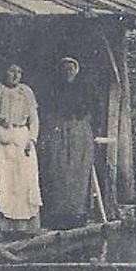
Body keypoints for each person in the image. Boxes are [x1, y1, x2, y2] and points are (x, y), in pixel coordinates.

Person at [39, 56, 101, 231]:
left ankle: (77, 215)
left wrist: (83, 123)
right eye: (64, 69)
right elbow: (47, 110)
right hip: (58, 132)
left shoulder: (86, 88)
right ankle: (57, 216)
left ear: (77, 70)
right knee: (57, 170)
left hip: (79, 133)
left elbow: (94, 109)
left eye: (71, 68)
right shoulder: (53, 89)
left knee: (78, 173)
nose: (68, 72)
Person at [0, 62, 43, 236]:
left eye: (19, 71)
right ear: (3, 72)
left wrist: (32, 138)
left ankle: (27, 226)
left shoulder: (26, 92)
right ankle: (6, 226)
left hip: (23, 138)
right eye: (11, 71)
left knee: (26, 180)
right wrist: (3, 135)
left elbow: (34, 119)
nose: (15, 75)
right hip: (2, 139)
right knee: (7, 181)